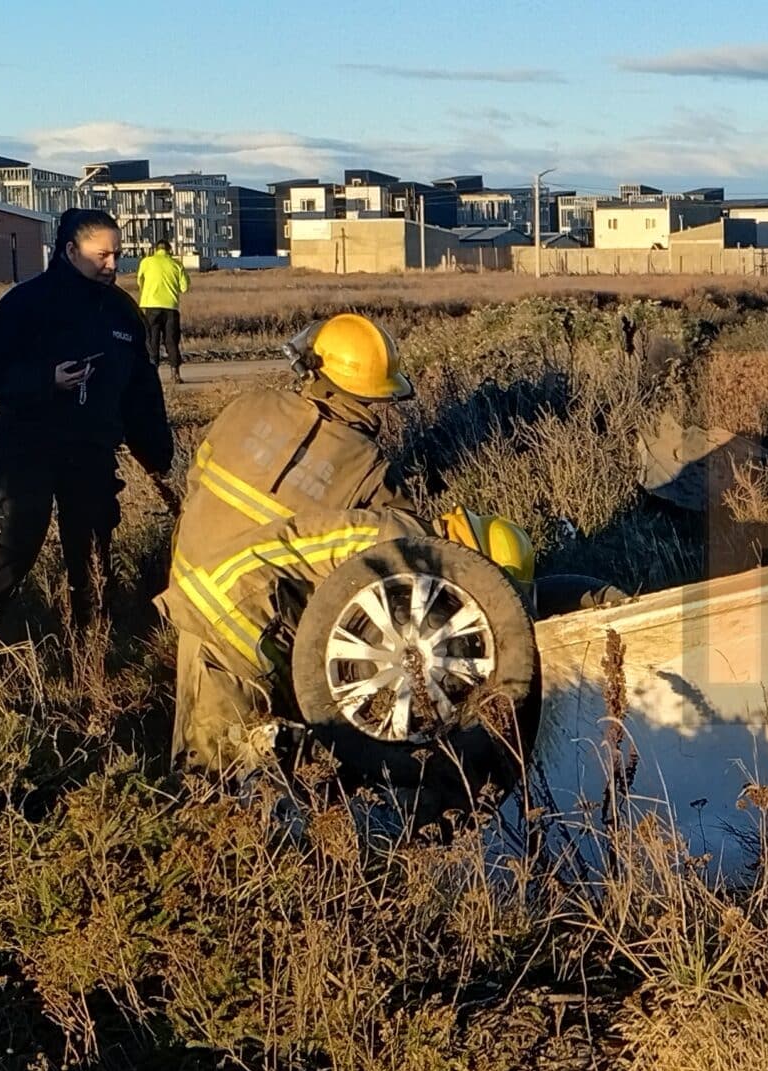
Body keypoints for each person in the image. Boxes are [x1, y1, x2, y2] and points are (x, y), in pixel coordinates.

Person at [157, 312, 539, 777]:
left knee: (209, 746)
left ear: (315, 367)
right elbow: (397, 556)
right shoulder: (368, 472)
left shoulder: (248, 406)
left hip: (194, 591)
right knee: (218, 771)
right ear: (375, 395)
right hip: (253, 626)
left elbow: (196, 484)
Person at [0, 208, 178, 666]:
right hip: (29, 445)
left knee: (93, 541)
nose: (113, 265)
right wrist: (45, 380)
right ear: (70, 251)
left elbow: (141, 390)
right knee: (21, 534)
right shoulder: (26, 302)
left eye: (118, 255)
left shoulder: (122, 312)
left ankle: (90, 648)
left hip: (92, 448)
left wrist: (156, 454)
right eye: (102, 255)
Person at [135, 241, 189, 380]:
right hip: (171, 307)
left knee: (153, 341)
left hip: (151, 306)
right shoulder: (176, 264)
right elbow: (184, 287)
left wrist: (145, 291)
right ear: (169, 250)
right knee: (171, 341)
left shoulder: (146, 262)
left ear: (155, 250)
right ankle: (175, 373)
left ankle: (154, 374)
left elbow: (139, 280)